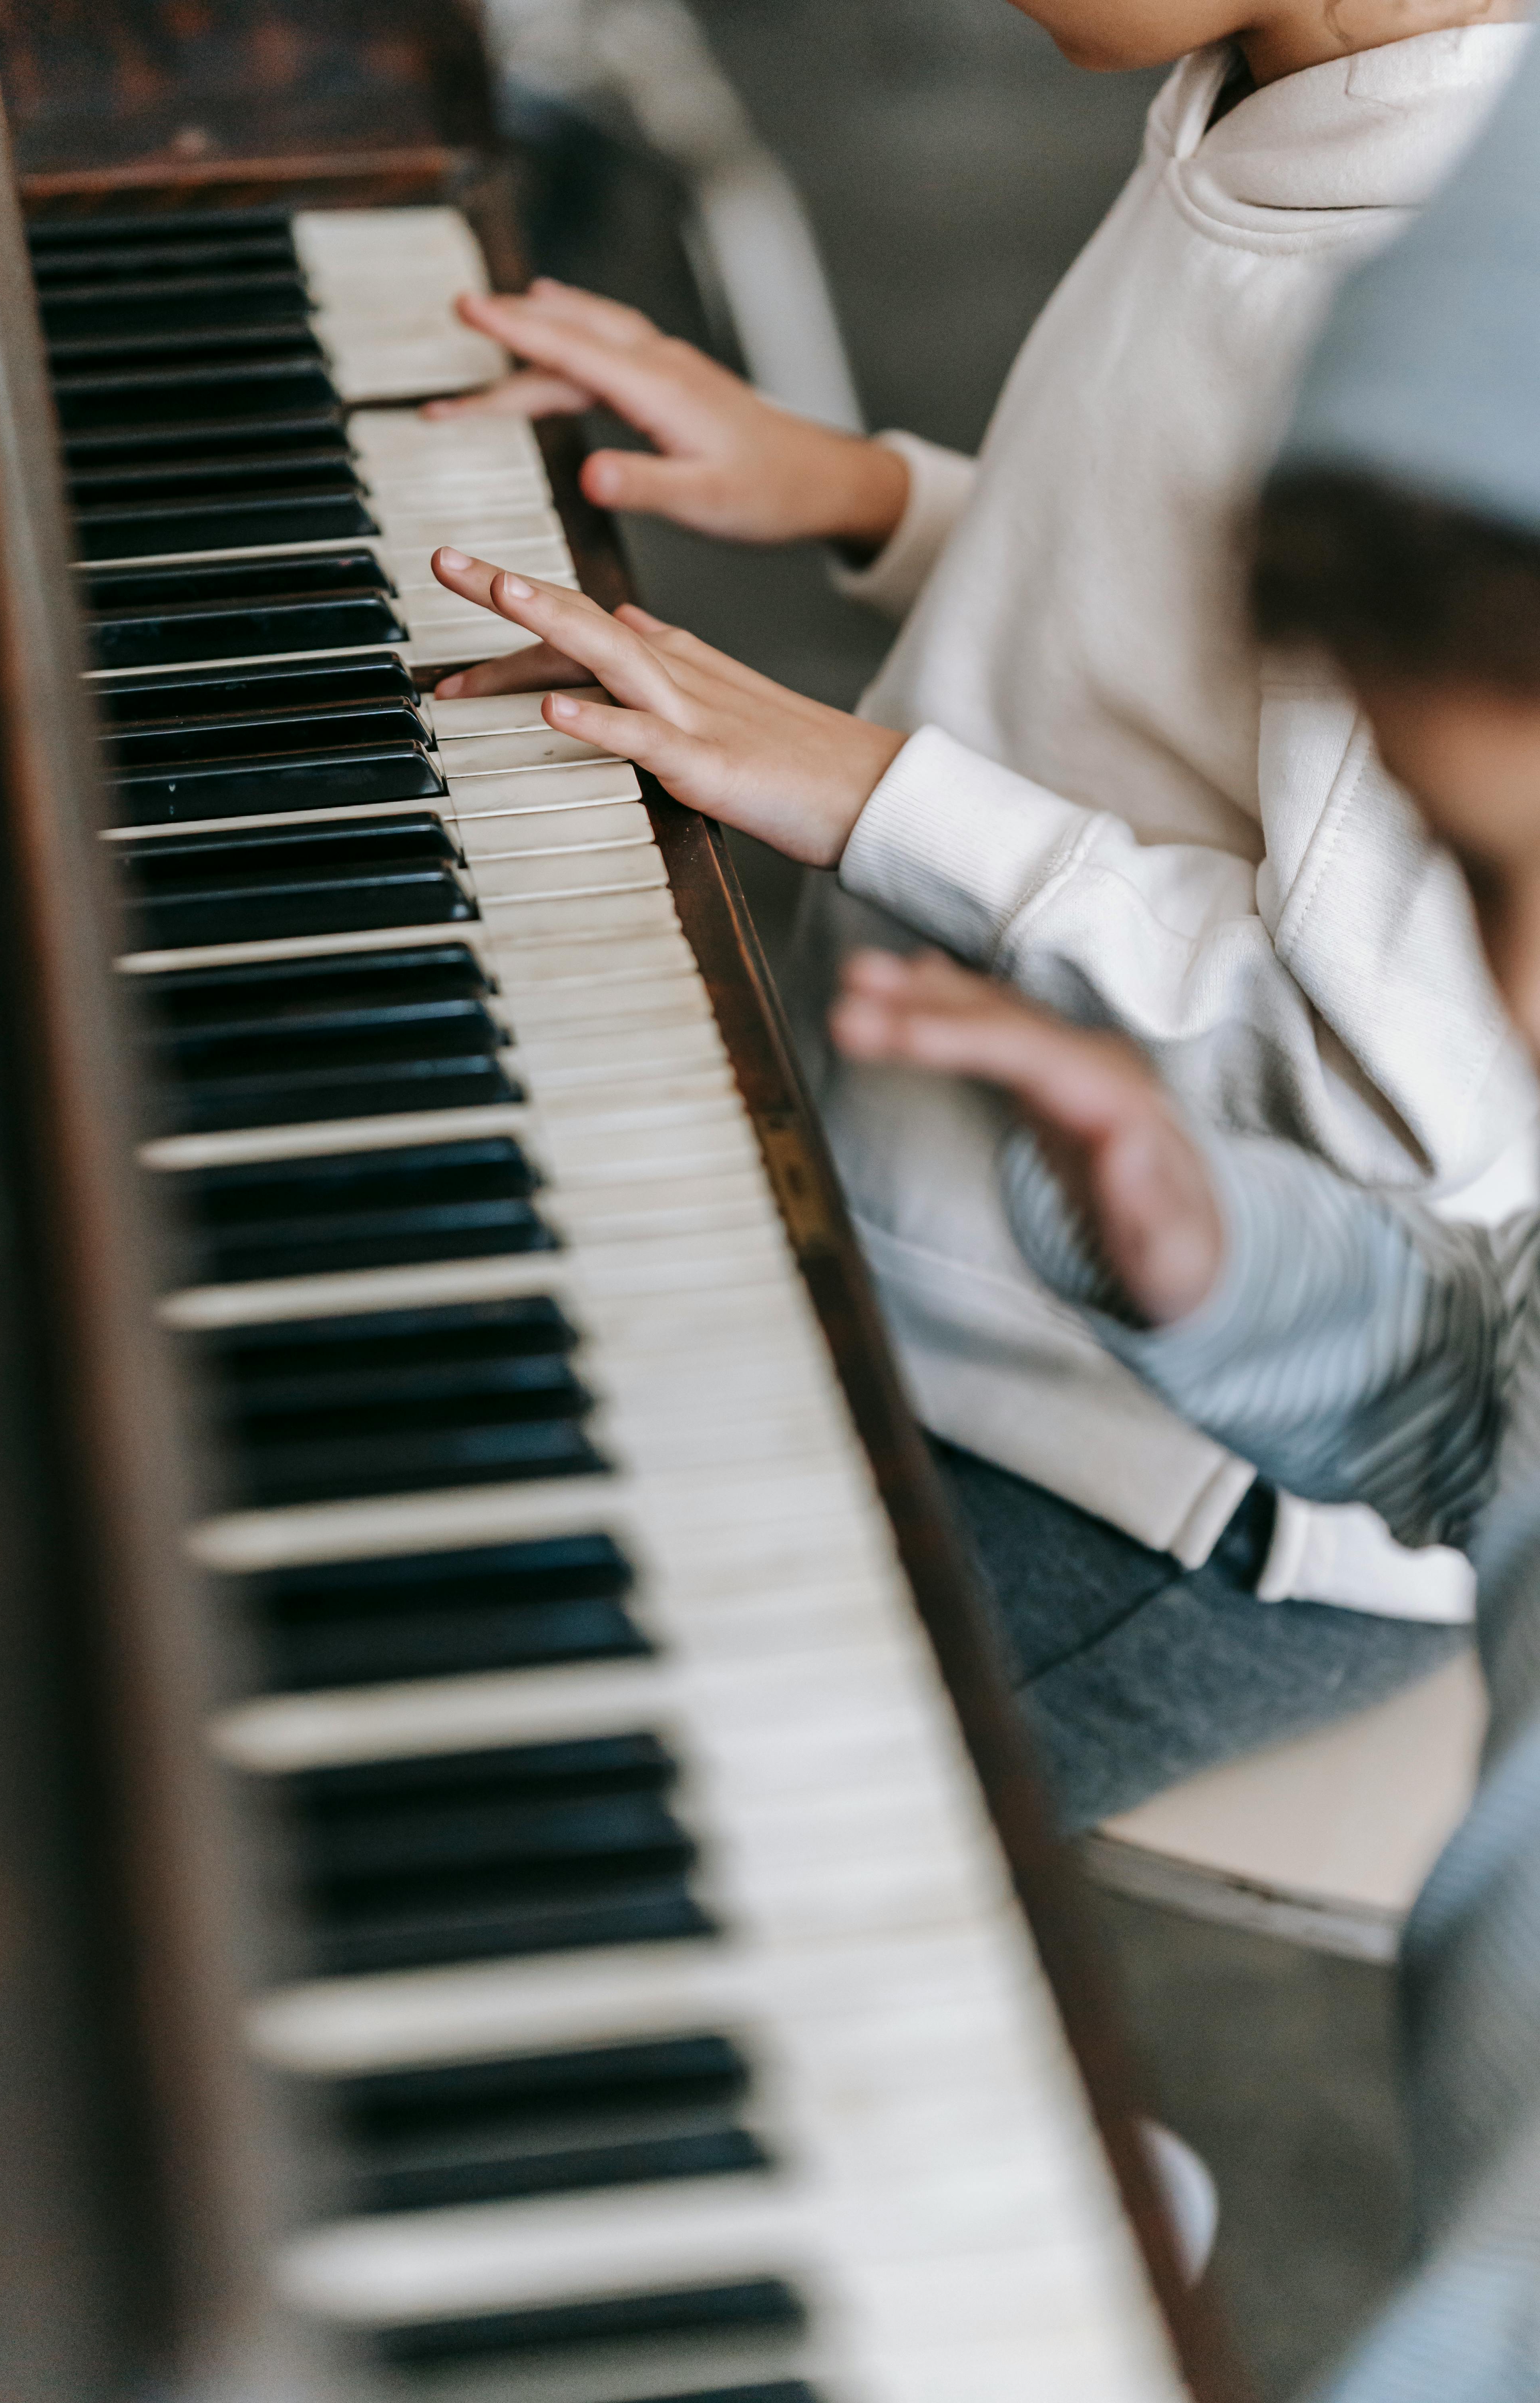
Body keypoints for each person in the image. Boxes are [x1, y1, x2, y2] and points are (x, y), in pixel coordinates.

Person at [424, 0, 1536, 1825]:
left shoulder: (1453, 323)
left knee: (555, 1804)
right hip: (946, 1262)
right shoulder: (1283, 102)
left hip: (1162, 1477)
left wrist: (877, 795)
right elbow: (1182, 652)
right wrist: (866, 492)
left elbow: (1403, 1085)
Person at [835, 32, 1540, 2393]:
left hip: (1186, 1522)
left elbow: (1497, 2305)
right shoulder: (1344, 189)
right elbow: (1479, 1381)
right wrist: (1224, 1255)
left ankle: (1021, 2196)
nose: (1512, 1000)